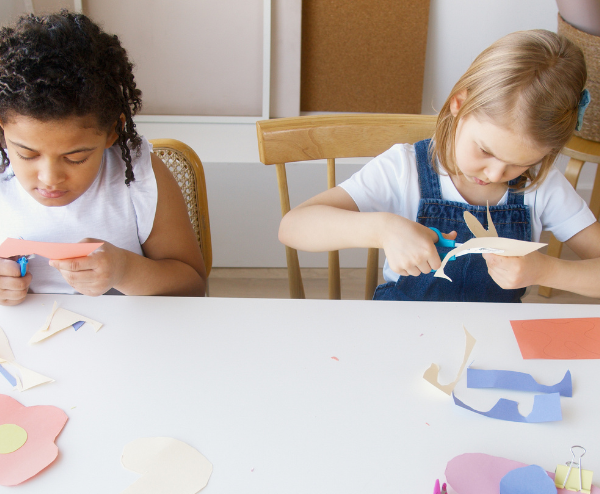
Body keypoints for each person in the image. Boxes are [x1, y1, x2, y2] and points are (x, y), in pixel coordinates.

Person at [279, 30, 600, 301]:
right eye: (485, 150)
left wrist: (547, 270)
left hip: (492, 339)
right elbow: (293, 227)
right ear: (458, 105)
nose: (494, 174)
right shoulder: (404, 169)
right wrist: (382, 229)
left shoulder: (543, 187)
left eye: (520, 163)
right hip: (403, 331)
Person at [0, 11, 206, 306]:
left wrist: (124, 270)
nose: (49, 178)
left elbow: (193, 286)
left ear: (113, 132)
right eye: (26, 154)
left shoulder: (139, 177)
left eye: (75, 158)